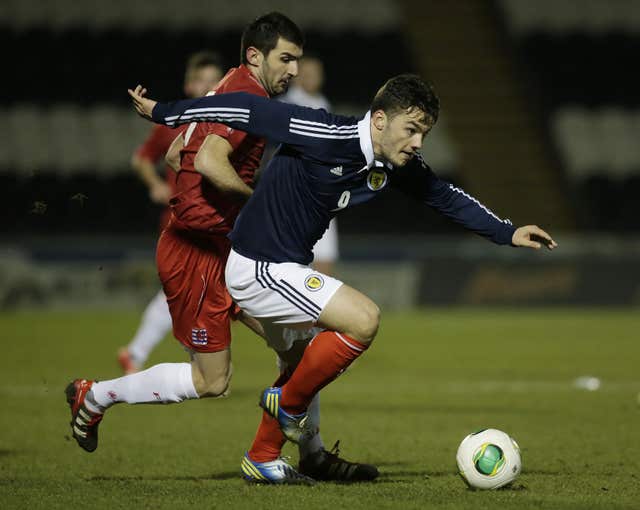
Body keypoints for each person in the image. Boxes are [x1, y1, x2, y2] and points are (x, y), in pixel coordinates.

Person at [129, 72, 558, 482]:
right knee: (362, 319)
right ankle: (288, 407)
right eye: (410, 130)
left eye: (424, 133)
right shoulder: (323, 132)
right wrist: (165, 111)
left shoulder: (395, 163)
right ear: (379, 120)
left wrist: (507, 232)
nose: (417, 142)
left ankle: (270, 457)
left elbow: (443, 196)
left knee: (303, 362)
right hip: (258, 266)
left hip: (287, 268)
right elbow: (245, 108)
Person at [67, 12, 375, 486]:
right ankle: (95, 396)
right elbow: (210, 160)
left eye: (297, 60)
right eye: (286, 59)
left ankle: (302, 454)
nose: (293, 70)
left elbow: (176, 154)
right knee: (212, 381)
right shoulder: (247, 95)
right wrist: (256, 203)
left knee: (299, 347)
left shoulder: (230, 88)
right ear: (255, 56)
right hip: (195, 252)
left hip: (230, 248)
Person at [118, 51, 225, 374]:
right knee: (196, 292)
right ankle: (198, 363)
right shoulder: (174, 122)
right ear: (189, 85)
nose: (209, 87)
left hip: (213, 221)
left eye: (214, 81)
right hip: (185, 221)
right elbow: (140, 158)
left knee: (187, 293)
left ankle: (138, 353)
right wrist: (155, 184)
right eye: (202, 81)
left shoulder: (224, 121)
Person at [280, 55, 338, 276]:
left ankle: (314, 310)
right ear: (296, 76)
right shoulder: (287, 105)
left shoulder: (322, 103)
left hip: (321, 192)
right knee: (291, 263)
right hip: (296, 192)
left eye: (317, 73)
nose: (313, 77)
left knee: (325, 260)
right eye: (308, 73)